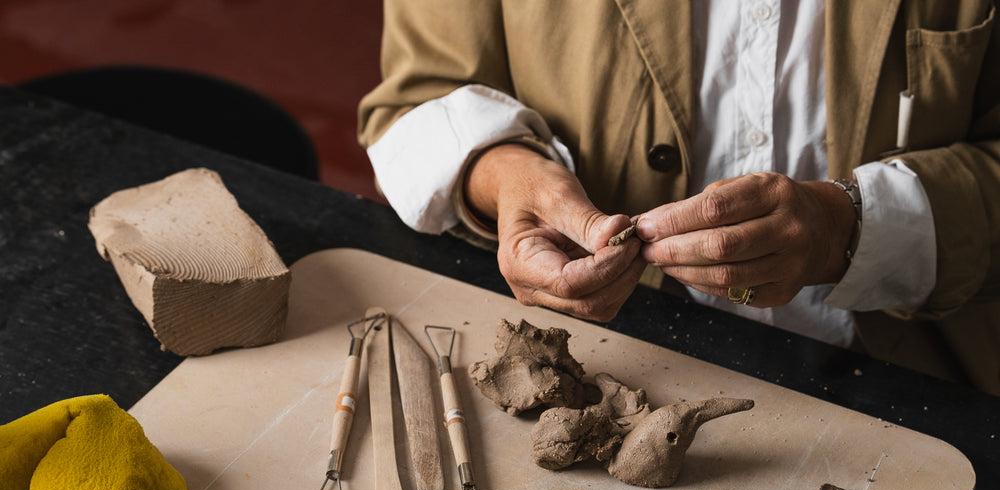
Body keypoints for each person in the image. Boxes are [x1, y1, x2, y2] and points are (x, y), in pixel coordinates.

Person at [358, 1, 1000, 396]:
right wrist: (504, 176)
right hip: (607, 364)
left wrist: (850, 230)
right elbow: (415, 102)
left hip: (923, 379)